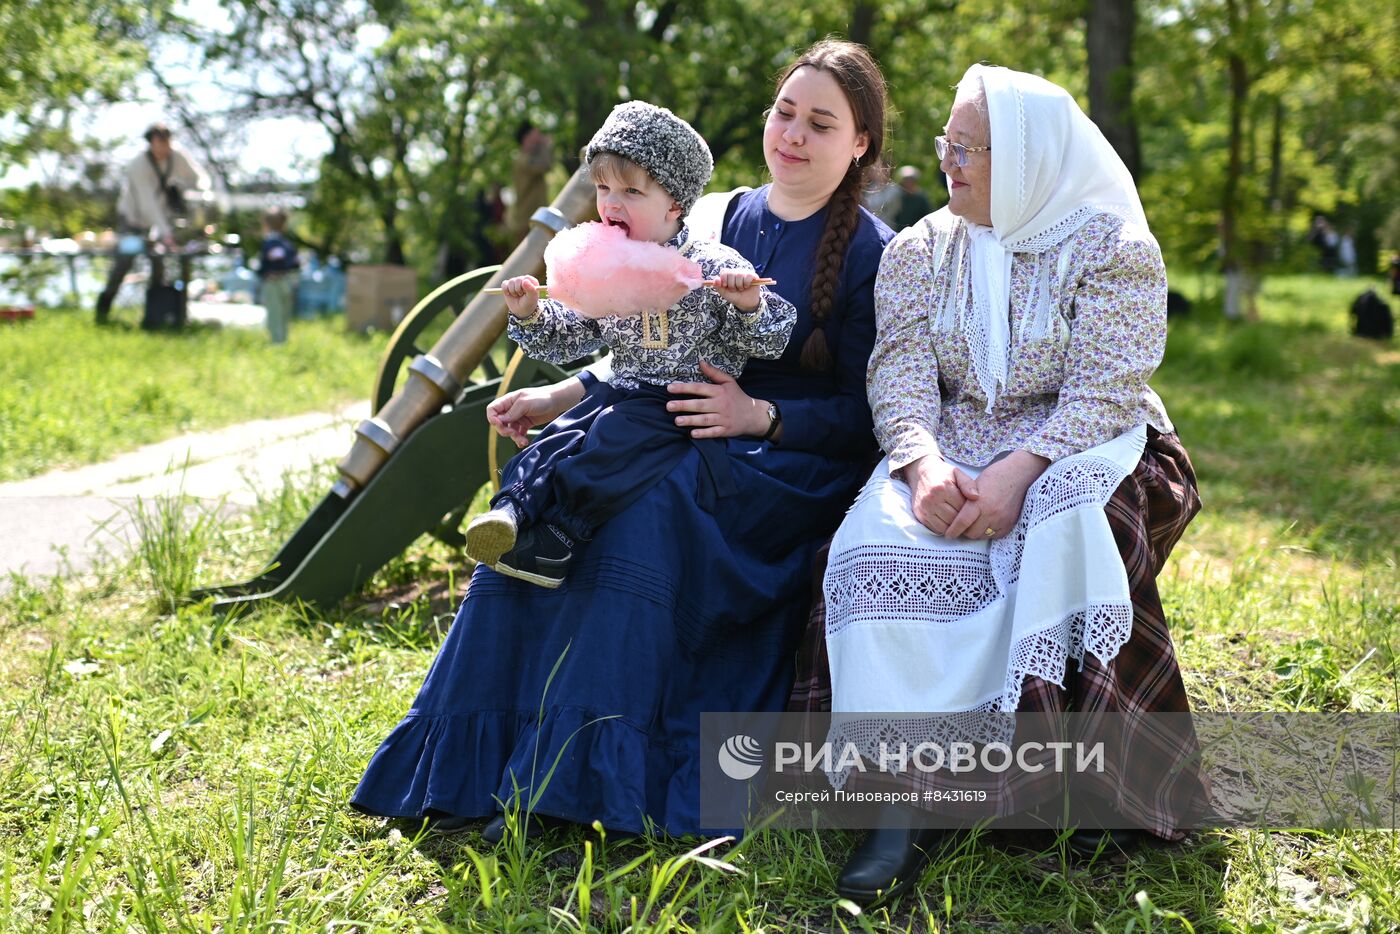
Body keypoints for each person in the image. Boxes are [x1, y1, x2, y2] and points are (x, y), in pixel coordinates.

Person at [351, 39, 895, 843]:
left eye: (822, 122)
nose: (793, 134)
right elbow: (645, 344)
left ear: (860, 146)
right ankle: (476, 762)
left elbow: (871, 416)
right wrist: (562, 391)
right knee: (546, 490)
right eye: (785, 111)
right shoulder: (717, 214)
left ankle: (570, 780)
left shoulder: (876, 253)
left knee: (641, 515)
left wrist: (761, 417)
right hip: (668, 423)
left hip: (783, 464)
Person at [789, 64, 1209, 903]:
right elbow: (901, 368)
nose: (952, 163)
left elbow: (1107, 387)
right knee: (873, 539)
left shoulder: (1113, 247)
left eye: (974, 149)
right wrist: (923, 465)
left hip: (1086, 439)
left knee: (1060, 529)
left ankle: (1075, 787)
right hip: (952, 441)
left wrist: (1023, 471)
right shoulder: (920, 248)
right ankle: (898, 807)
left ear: (1028, 155)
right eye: (949, 144)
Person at [471, 101, 795, 588]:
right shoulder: (604, 262)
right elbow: (573, 336)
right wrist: (530, 312)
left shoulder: (713, 264)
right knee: (561, 434)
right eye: (603, 188)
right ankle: (511, 512)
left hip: (678, 403)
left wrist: (748, 303)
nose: (610, 204)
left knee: (612, 438)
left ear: (674, 204)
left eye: (630, 190)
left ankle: (559, 537)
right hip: (618, 389)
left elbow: (768, 342)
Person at [95, 123, 211, 324]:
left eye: (166, 142)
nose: (163, 148)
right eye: (158, 143)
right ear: (150, 143)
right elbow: (148, 203)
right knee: (124, 261)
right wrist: (166, 232)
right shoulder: (138, 166)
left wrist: (200, 196)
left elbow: (198, 177)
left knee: (159, 263)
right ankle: (103, 309)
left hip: (157, 222)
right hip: (131, 219)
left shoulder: (177, 156)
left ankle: (154, 316)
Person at [256, 206, 300, 344]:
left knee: (275, 315)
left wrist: (266, 272)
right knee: (284, 315)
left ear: (266, 224)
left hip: (274, 282)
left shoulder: (270, 243)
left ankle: (277, 344)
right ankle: (283, 341)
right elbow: (296, 264)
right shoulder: (287, 244)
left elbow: (271, 262)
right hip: (287, 282)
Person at [507, 121, 556, 242]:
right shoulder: (522, 160)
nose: (539, 137)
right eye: (536, 135)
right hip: (526, 223)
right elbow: (545, 165)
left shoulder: (528, 158)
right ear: (526, 137)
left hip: (535, 220)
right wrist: (546, 145)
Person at [891, 165, 932, 231]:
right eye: (906, 180)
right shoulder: (898, 197)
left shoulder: (921, 198)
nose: (908, 183)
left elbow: (927, 215)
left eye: (910, 180)